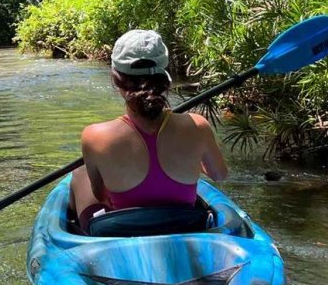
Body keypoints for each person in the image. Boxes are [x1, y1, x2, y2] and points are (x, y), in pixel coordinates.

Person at [71, 29, 229, 232]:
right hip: (185, 227)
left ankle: (75, 232)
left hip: (121, 235)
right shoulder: (198, 126)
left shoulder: (94, 136)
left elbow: (102, 196)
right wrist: (193, 160)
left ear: (116, 79)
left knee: (79, 174)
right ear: (165, 77)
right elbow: (220, 175)